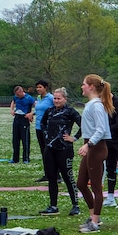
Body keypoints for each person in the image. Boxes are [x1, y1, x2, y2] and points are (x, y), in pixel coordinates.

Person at [75, 74, 114, 233]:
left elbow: (101, 129)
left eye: (84, 84)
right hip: (90, 146)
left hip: (96, 148)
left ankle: (95, 222)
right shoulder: (92, 104)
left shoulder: (96, 105)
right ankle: (92, 217)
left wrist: (89, 145)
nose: (82, 86)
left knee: (96, 187)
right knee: (81, 184)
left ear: (91, 86)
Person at [38, 87, 81, 216]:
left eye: (59, 98)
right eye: (55, 98)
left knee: (68, 177)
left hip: (64, 150)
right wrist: (47, 136)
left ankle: (75, 205)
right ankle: (53, 205)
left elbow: (84, 125)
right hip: (50, 149)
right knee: (52, 178)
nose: (56, 101)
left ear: (65, 99)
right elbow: (42, 124)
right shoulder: (49, 111)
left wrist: (74, 138)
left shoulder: (70, 112)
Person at [28, 81, 54, 181]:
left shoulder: (51, 98)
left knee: (50, 152)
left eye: (40, 87)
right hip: (39, 127)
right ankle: (47, 174)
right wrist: (32, 114)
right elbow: (39, 110)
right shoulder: (39, 98)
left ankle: (55, 175)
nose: (38, 89)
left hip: (48, 128)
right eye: (37, 87)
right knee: (44, 152)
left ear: (45, 88)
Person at [10, 85, 35, 163]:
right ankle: (15, 159)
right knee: (15, 139)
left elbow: (36, 105)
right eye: (16, 94)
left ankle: (26, 158)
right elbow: (13, 102)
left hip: (24, 118)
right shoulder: (16, 97)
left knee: (25, 140)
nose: (17, 96)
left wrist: (31, 114)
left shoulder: (29, 98)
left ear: (22, 91)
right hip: (17, 118)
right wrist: (11, 109)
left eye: (18, 94)